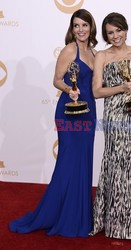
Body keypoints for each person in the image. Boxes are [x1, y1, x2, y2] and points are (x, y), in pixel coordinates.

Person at [9, 9, 97, 237]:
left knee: (83, 163)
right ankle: (60, 215)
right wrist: (71, 89)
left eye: (84, 25)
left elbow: (96, 88)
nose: (81, 30)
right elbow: (57, 80)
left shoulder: (95, 53)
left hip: (88, 114)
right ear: (72, 28)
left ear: (91, 27)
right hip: (69, 111)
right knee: (68, 162)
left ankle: (79, 216)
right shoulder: (70, 50)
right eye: (76, 25)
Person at [90, 12, 131, 242]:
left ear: (126, 29)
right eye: (110, 32)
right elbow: (97, 91)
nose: (116, 35)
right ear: (106, 35)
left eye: (119, 30)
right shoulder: (102, 56)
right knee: (117, 164)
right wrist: (120, 88)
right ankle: (117, 224)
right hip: (115, 115)